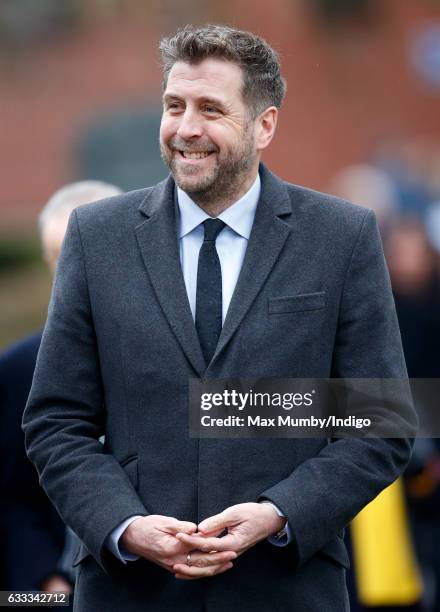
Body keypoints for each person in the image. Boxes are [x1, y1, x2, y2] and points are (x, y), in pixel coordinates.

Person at [23, 25, 415, 612]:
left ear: (265, 125)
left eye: (211, 109)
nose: (186, 129)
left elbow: (380, 420)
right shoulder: (95, 236)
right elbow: (56, 420)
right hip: (130, 592)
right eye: (174, 106)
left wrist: (279, 513)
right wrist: (124, 525)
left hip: (286, 586)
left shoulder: (341, 237)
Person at [0, 181, 122, 598]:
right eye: (61, 256)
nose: (76, 268)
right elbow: (11, 494)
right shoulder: (17, 368)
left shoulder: (197, 352)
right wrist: (44, 586)